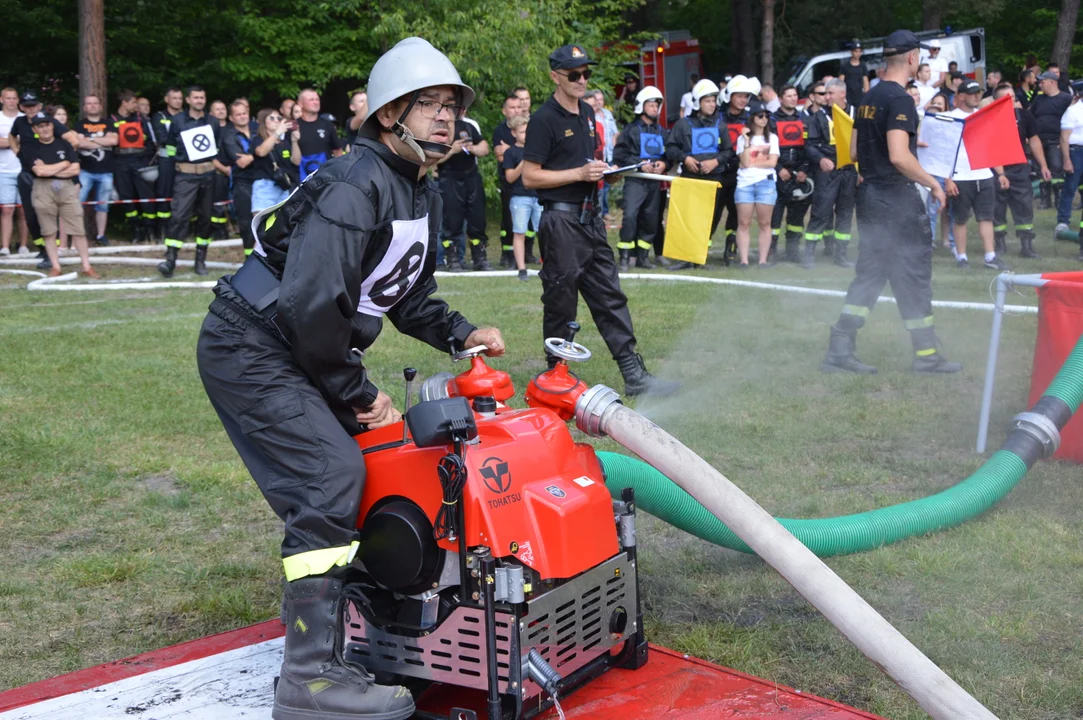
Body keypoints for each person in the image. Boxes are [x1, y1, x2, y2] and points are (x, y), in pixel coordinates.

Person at [196, 38, 504, 720]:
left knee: (383, 463)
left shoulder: (417, 188)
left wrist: (460, 331)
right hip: (252, 342)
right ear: (390, 113)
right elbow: (310, 306)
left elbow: (402, 292)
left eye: (452, 106)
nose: (446, 118)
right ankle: (308, 682)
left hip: (299, 343)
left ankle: (373, 631)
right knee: (328, 477)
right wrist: (355, 391)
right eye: (429, 104)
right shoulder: (355, 183)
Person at [523, 43, 677, 396]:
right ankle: (555, 377)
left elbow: (582, 168)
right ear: (555, 77)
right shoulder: (544, 119)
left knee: (610, 296)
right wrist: (579, 173)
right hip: (560, 222)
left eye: (586, 73)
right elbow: (530, 177)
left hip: (591, 219)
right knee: (561, 299)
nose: (582, 80)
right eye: (574, 75)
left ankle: (633, 374)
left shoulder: (588, 116)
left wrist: (606, 173)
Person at [823, 30, 958, 375]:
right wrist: (933, 183)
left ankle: (840, 346)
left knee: (871, 273)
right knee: (912, 274)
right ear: (913, 58)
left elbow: (853, 151)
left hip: (869, 197)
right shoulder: (900, 99)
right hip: (895, 199)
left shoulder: (869, 95)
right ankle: (926, 356)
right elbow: (900, 157)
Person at [665, 78, 735, 269]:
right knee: (689, 219)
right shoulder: (683, 124)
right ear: (697, 103)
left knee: (709, 219)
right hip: (691, 178)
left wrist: (715, 161)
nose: (712, 104)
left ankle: (699, 257)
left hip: (714, 179)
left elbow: (729, 151)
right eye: (707, 101)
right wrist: (685, 158)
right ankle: (685, 258)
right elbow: (670, 148)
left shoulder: (720, 125)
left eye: (713, 100)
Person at [159, 85, 228, 277]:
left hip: (208, 176)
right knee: (179, 216)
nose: (199, 101)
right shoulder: (177, 121)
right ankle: (170, 260)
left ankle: (200, 261)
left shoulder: (213, 122)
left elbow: (215, 148)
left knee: (205, 218)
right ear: (188, 100)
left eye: (202, 97)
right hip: (185, 176)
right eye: (195, 98)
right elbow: (171, 148)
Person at [945, 80, 1010, 271]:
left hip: (984, 175)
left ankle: (990, 257)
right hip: (960, 176)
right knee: (960, 219)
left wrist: (1000, 173)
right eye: (972, 93)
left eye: (979, 93)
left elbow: (991, 148)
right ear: (961, 96)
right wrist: (948, 180)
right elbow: (945, 152)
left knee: (987, 217)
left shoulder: (984, 117)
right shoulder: (951, 118)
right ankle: (962, 257)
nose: (976, 96)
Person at [9, 91, 80, 267]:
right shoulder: (19, 122)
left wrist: (62, 163)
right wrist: (18, 153)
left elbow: (73, 141)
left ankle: (52, 253)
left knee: (50, 213)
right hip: (28, 173)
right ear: (21, 107)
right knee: (30, 216)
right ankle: (42, 249)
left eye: (33, 105)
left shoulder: (50, 121)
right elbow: (11, 138)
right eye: (26, 106)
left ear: (39, 106)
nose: (30, 109)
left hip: (50, 175)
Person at [25, 112, 98, 278]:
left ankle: (87, 266)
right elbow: (39, 171)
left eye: (47, 125)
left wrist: (52, 169)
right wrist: (64, 164)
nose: (44, 129)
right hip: (42, 189)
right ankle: (55, 266)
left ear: (52, 126)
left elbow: (75, 169)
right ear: (35, 129)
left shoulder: (64, 144)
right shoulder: (31, 147)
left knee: (78, 229)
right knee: (48, 230)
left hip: (67, 188)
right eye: (40, 126)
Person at [993, 83, 1050, 258]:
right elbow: (991, 148)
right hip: (996, 168)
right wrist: (1000, 173)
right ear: (997, 101)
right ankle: (999, 243)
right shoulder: (990, 119)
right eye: (1007, 97)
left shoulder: (1025, 116)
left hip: (1020, 167)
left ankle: (1027, 246)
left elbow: (1034, 141)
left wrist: (1043, 166)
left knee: (1024, 206)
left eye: (1013, 97)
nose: (1012, 100)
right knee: (997, 208)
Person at [804, 78, 856, 268]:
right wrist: (820, 159)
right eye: (825, 94)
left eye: (830, 93)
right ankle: (809, 253)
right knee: (821, 211)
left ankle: (840, 255)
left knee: (845, 213)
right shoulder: (818, 117)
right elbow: (809, 146)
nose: (826, 97)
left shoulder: (855, 114)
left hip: (849, 171)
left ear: (842, 94)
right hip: (828, 171)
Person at [613, 85, 667, 270]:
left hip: (654, 183)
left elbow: (668, 154)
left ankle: (644, 257)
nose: (655, 109)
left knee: (650, 219)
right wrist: (639, 163)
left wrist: (664, 164)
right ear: (641, 106)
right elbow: (619, 155)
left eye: (657, 106)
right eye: (651, 105)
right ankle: (625, 257)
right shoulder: (630, 130)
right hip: (635, 180)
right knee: (630, 216)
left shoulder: (661, 131)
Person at [435, 112, 490, 271]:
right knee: (452, 221)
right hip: (449, 178)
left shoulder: (469, 126)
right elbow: (432, 158)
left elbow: (484, 148)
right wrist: (452, 150)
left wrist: (473, 148)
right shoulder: (440, 127)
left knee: (477, 219)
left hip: (472, 177)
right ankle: (452, 259)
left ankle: (480, 259)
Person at [719, 75, 761, 261]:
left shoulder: (751, 119)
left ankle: (731, 246)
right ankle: (700, 251)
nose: (743, 100)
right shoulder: (718, 117)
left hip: (742, 173)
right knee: (713, 213)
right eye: (739, 96)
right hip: (719, 171)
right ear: (730, 96)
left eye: (746, 96)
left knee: (736, 214)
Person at [770, 85, 812, 263]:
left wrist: (804, 170)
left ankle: (792, 252)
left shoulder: (804, 118)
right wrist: (779, 169)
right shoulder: (771, 120)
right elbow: (766, 147)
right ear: (780, 99)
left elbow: (811, 146)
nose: (793, 99)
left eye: (795, 95)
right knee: (775, 216)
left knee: (796, 217)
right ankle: (771, 252)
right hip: (779, 173)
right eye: (788, 96)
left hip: (800, 174)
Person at [734, 108, 780, 267]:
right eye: (760, 115)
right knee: (744, 222)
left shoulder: (772, 138)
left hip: (765, 183)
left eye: (767, 116)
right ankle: (744, 260)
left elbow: (772, 163)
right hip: (745, 183)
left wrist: (751, 163)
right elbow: (745, 162)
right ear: (752, 118)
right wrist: (746, 141)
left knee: (765, 223)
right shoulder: (742, 139)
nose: (764, 119)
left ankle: (763, 260)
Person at [110, 89, 157, 243]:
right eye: (133, 102)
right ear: (124, 103)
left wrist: (147, 158)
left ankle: (150, 230)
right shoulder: (111, 119)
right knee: (127, 197)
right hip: (121, 162)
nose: (136, 105)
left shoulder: (141, 119)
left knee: (146, 197)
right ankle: (136, 231)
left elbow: (152, 141)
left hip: (140, 161)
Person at [73, 94, 117, 246]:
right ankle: (77, 236)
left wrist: (89, 139)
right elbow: (79, 143)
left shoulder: (109, 123)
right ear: (84, 108)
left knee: (103, 205)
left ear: (100, 106)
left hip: (106, 170)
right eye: (89, 103)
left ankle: (100, 235)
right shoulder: (79, 125)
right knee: (77, 204)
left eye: (95, 103)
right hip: (85, 171)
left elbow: (114, 141)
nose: (92, 106)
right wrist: (101, 142)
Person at [502, 114, 542, 280]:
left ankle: (548, 266)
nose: (526, 135)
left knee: (545, 233)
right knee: (519, 232)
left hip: (539, 196)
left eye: (528, 131)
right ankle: (522, 269)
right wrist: (525, 160)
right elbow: (510, 177)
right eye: (522, 132)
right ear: (514, 133)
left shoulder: (539, 149)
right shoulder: (511, 152)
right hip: (520, 197)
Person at [220, 100, 258, 255]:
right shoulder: (228, 136)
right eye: (238, 114)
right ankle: (250, 258)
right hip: (242, 183)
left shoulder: (258, 130)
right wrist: (261, 151)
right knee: (246, 222)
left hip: (263, 181)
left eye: (244, 113)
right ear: (231, 118)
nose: (242, 117)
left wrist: (251, 155)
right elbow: (242, 162)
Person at [1030, 70, 1072, 211]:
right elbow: (1030, 116)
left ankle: (1059, 200)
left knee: (1057, 170)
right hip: (1039, 141)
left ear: (1052, 82)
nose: (1039, 85)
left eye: (1042, 82)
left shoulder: (1066, 99)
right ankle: (1044, 199)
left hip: (1056, 141)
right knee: (1040, 171)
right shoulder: (1038, 99)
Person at [151, 87, 184, 241]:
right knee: (164, 194)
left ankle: (180, 229)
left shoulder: (186, 116)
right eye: (174, 98)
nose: (177, 101)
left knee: (183, 195)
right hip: (166, 161)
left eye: (180, 98)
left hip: (184, 161)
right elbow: (162, 137)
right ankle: (161, 230)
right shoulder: (160, 116)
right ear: (167, 99)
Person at [491, 93, 519, 268]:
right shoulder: (500, 131)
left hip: (527, 182)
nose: (516, 111)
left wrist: (510, 151)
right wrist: (518, 152)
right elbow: (500, 157)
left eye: (518, 107)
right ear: (504, 111)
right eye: (512, 107)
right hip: (508, 181)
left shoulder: (530, 127)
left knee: (527, 222)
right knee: (508, 219)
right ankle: (507, 253)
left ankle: (526, 253)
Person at [0, 87, 27, 256]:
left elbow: (31, 141)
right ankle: (5, 246)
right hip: (3, 170)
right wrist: (17, 141)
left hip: (24, 170)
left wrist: (7, 141)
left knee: (24, 210)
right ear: (1, 100)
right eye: (8, 98)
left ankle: (23, 245)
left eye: (14, 98)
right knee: (7, 209)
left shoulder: (24, 119)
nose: (11, 101)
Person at [296, 88, 343, 179]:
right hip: (301, 178)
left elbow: (337, 151)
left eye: (317, 99)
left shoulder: (327, 125)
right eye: (311, 100)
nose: (316, 102)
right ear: (300, 103)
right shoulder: (294, 126)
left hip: (326, 177)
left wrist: (340, 172)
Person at [1056, 82, 1083, 239]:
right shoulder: (1072, 111)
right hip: (1076, 151)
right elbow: (1064, 138)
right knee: (1070, 187)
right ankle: (1063, 221)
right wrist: (1067, 160)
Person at [840, 39, 869, 109]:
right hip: (848, 96)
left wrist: (866, 95)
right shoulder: (845, 65)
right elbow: (841, 81)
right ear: (851, 52)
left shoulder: (863, 65)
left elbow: (865, 81)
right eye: (856, 51)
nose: (858, 53)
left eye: (860, 51)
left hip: (860, 96)